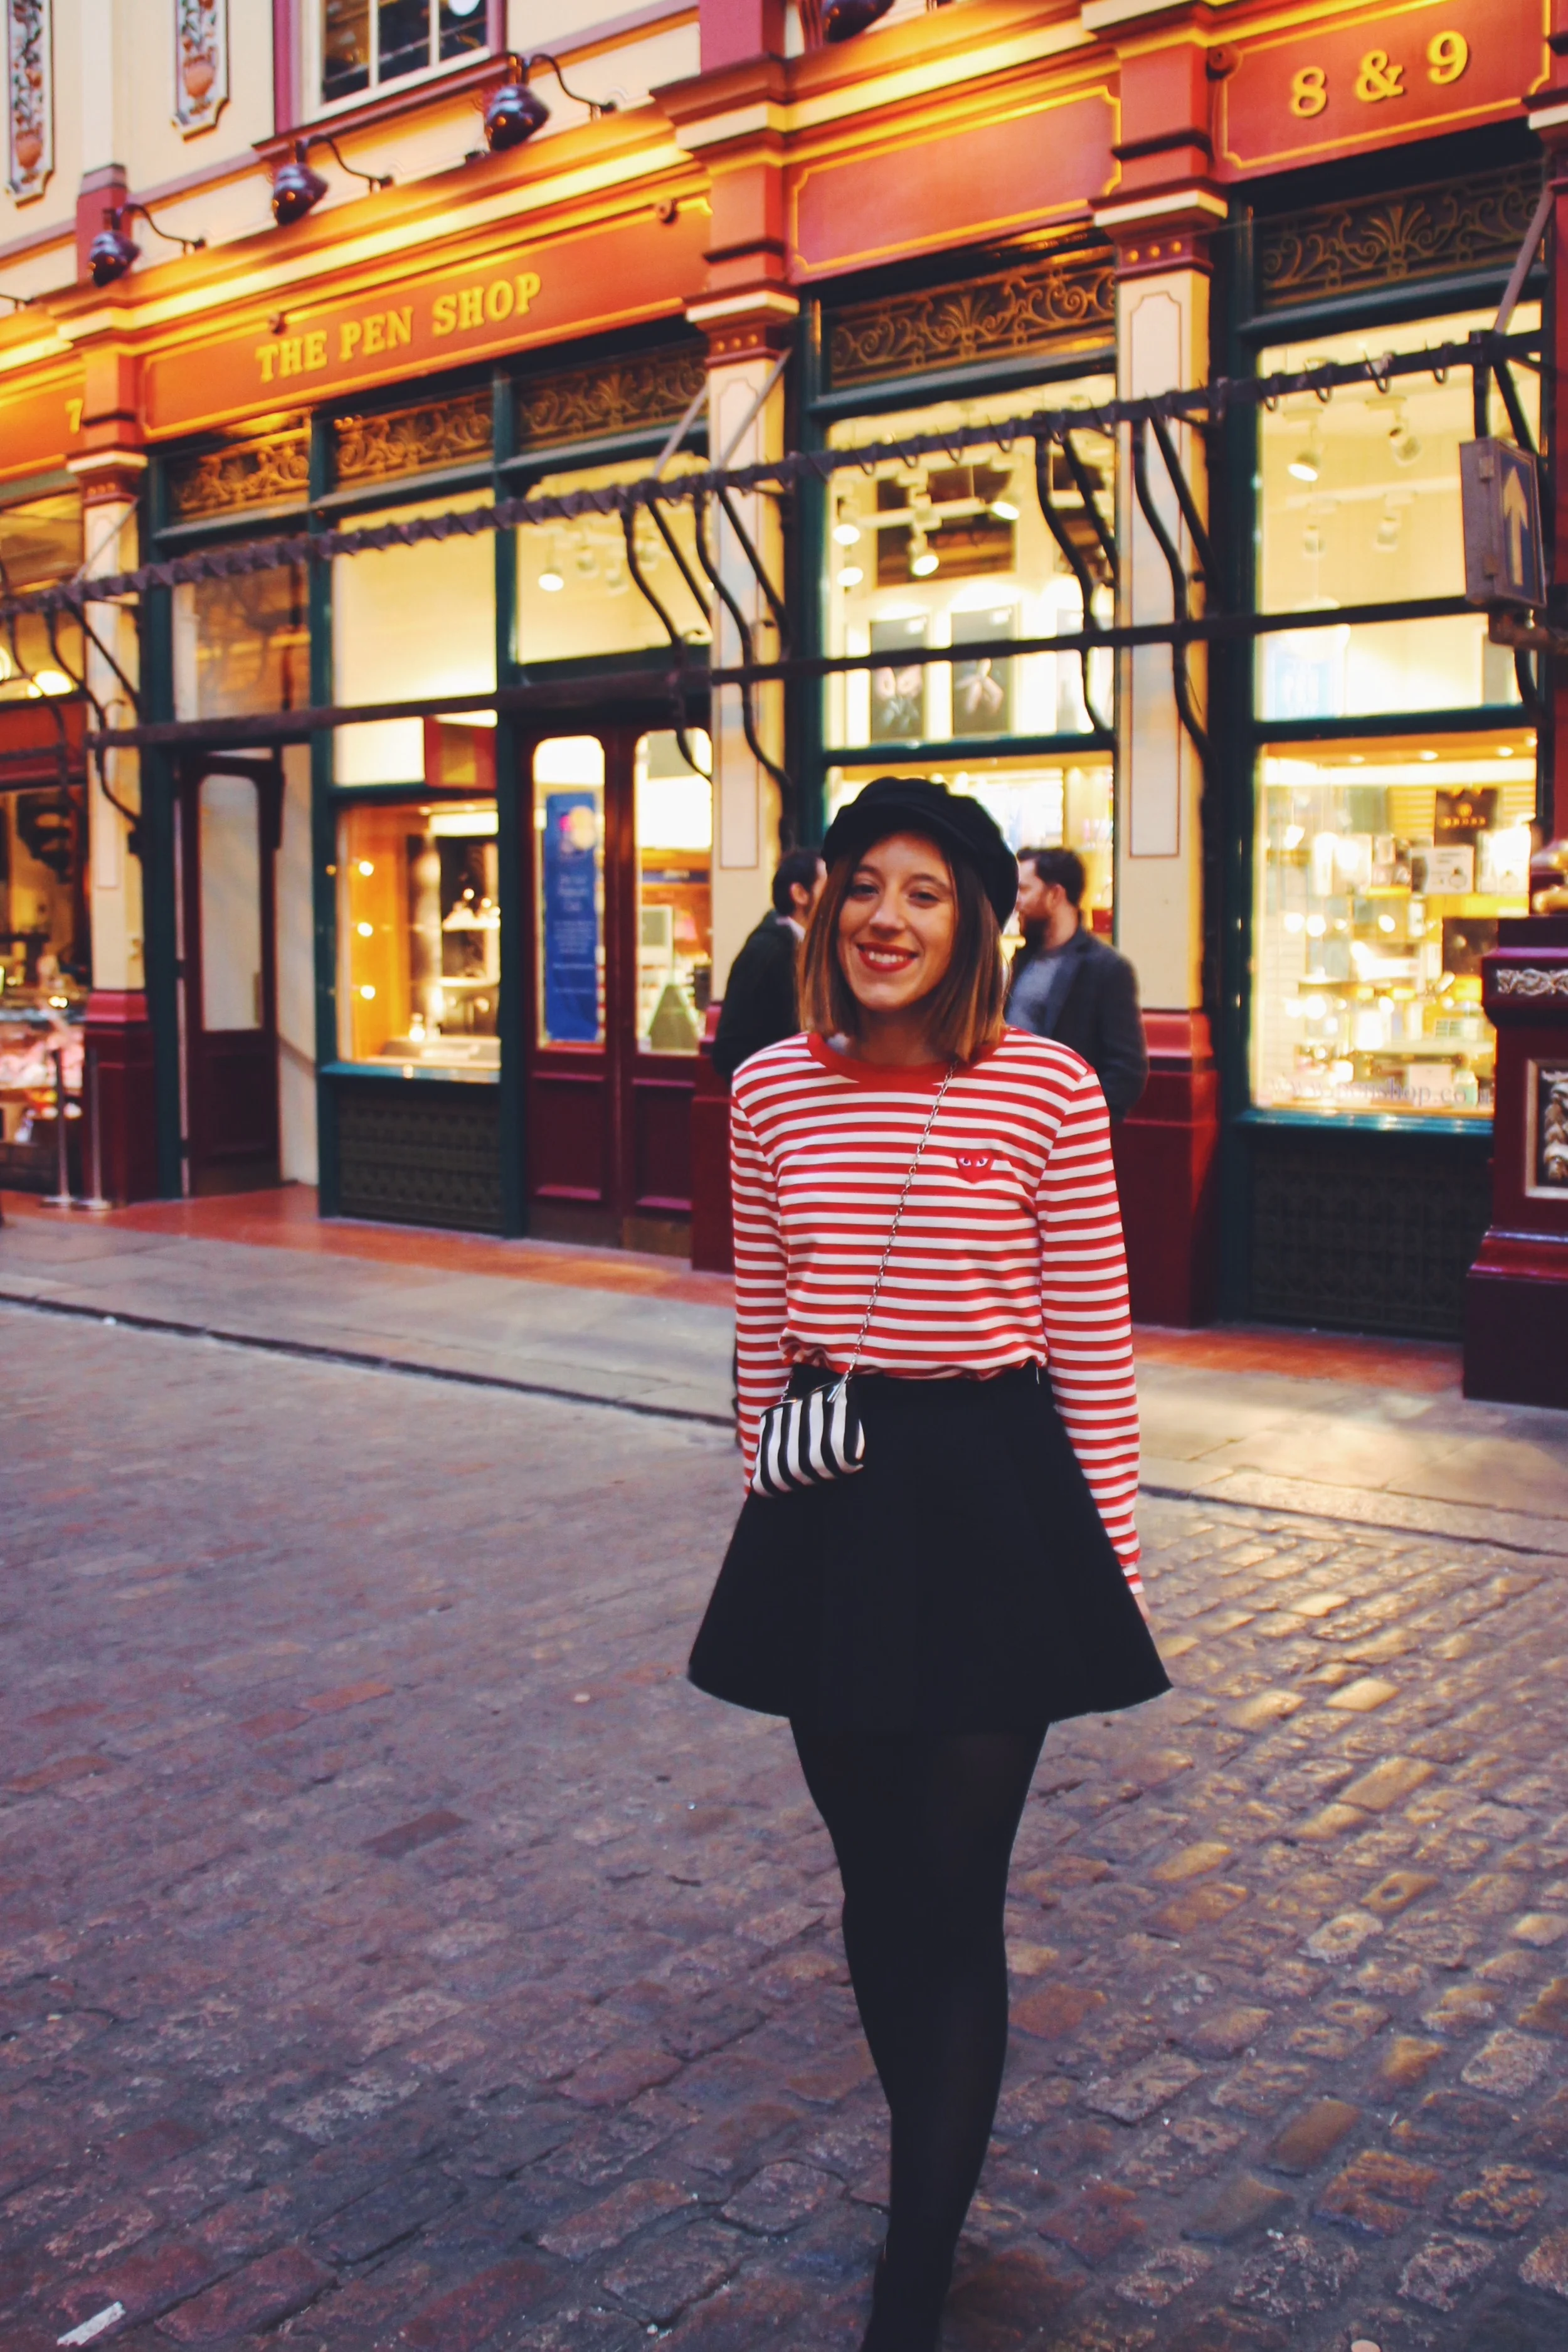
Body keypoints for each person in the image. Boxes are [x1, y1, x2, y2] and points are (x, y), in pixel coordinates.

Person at [689, 778, 1168, 2352]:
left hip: (990, 1499)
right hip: (831, 1508)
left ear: (977, 917)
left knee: (952, 1886)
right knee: (875, 1877)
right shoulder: (768, 1087)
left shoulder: (1046, 1091)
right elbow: (765, 1318)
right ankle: (929, 2178)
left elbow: (1093, 1344)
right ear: (825, 909)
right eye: (864, 887)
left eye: (929, 891)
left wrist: (1118, 1565)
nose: (889, 916)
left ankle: (918, 2262)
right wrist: (760, 1482)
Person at [1009, 846, 1148, 1120]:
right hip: (1011, 1121)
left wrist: (1077, 1124)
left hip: (1058, 1129)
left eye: (1024, 890)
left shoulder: (1106, 968)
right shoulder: (1022, 960)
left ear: (1055, 895)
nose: (1016, 902)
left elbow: (1127, 1070)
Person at [709, 847, 826, 1083]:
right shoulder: (770, 951)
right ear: (800, 894)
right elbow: (729, 1047)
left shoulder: (799, 946)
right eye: (828, 887)